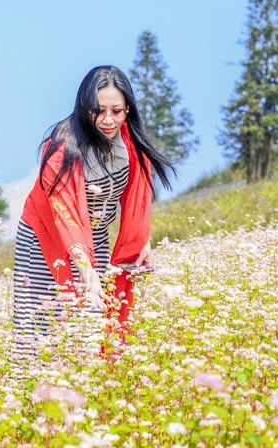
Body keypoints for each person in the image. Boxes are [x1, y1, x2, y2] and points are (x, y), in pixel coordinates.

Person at [10, 65, 174, 375]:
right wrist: (85, 268)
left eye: (117, 110)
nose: (109, 119)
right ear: (85, 108)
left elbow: (137, 199)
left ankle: (86, 386)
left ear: (128, 109)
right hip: (46, 235)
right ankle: (28, 386)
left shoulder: (132, 145)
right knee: (41, 318)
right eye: (98, 111)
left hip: (94, 235)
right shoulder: (62, 146)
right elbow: (65, 210)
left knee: (94, 315)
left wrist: (143, 244)